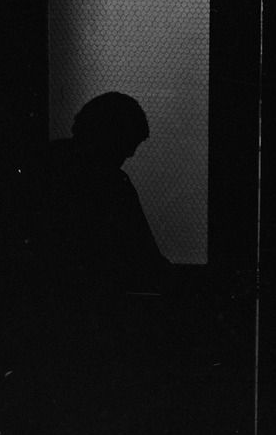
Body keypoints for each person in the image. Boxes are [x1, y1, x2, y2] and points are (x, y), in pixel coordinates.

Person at [19, 92, 171, 296]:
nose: (131, 154)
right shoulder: (114, 184)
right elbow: (143, 250)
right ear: (111, 138)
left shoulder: (42, 164)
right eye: (127, 144)